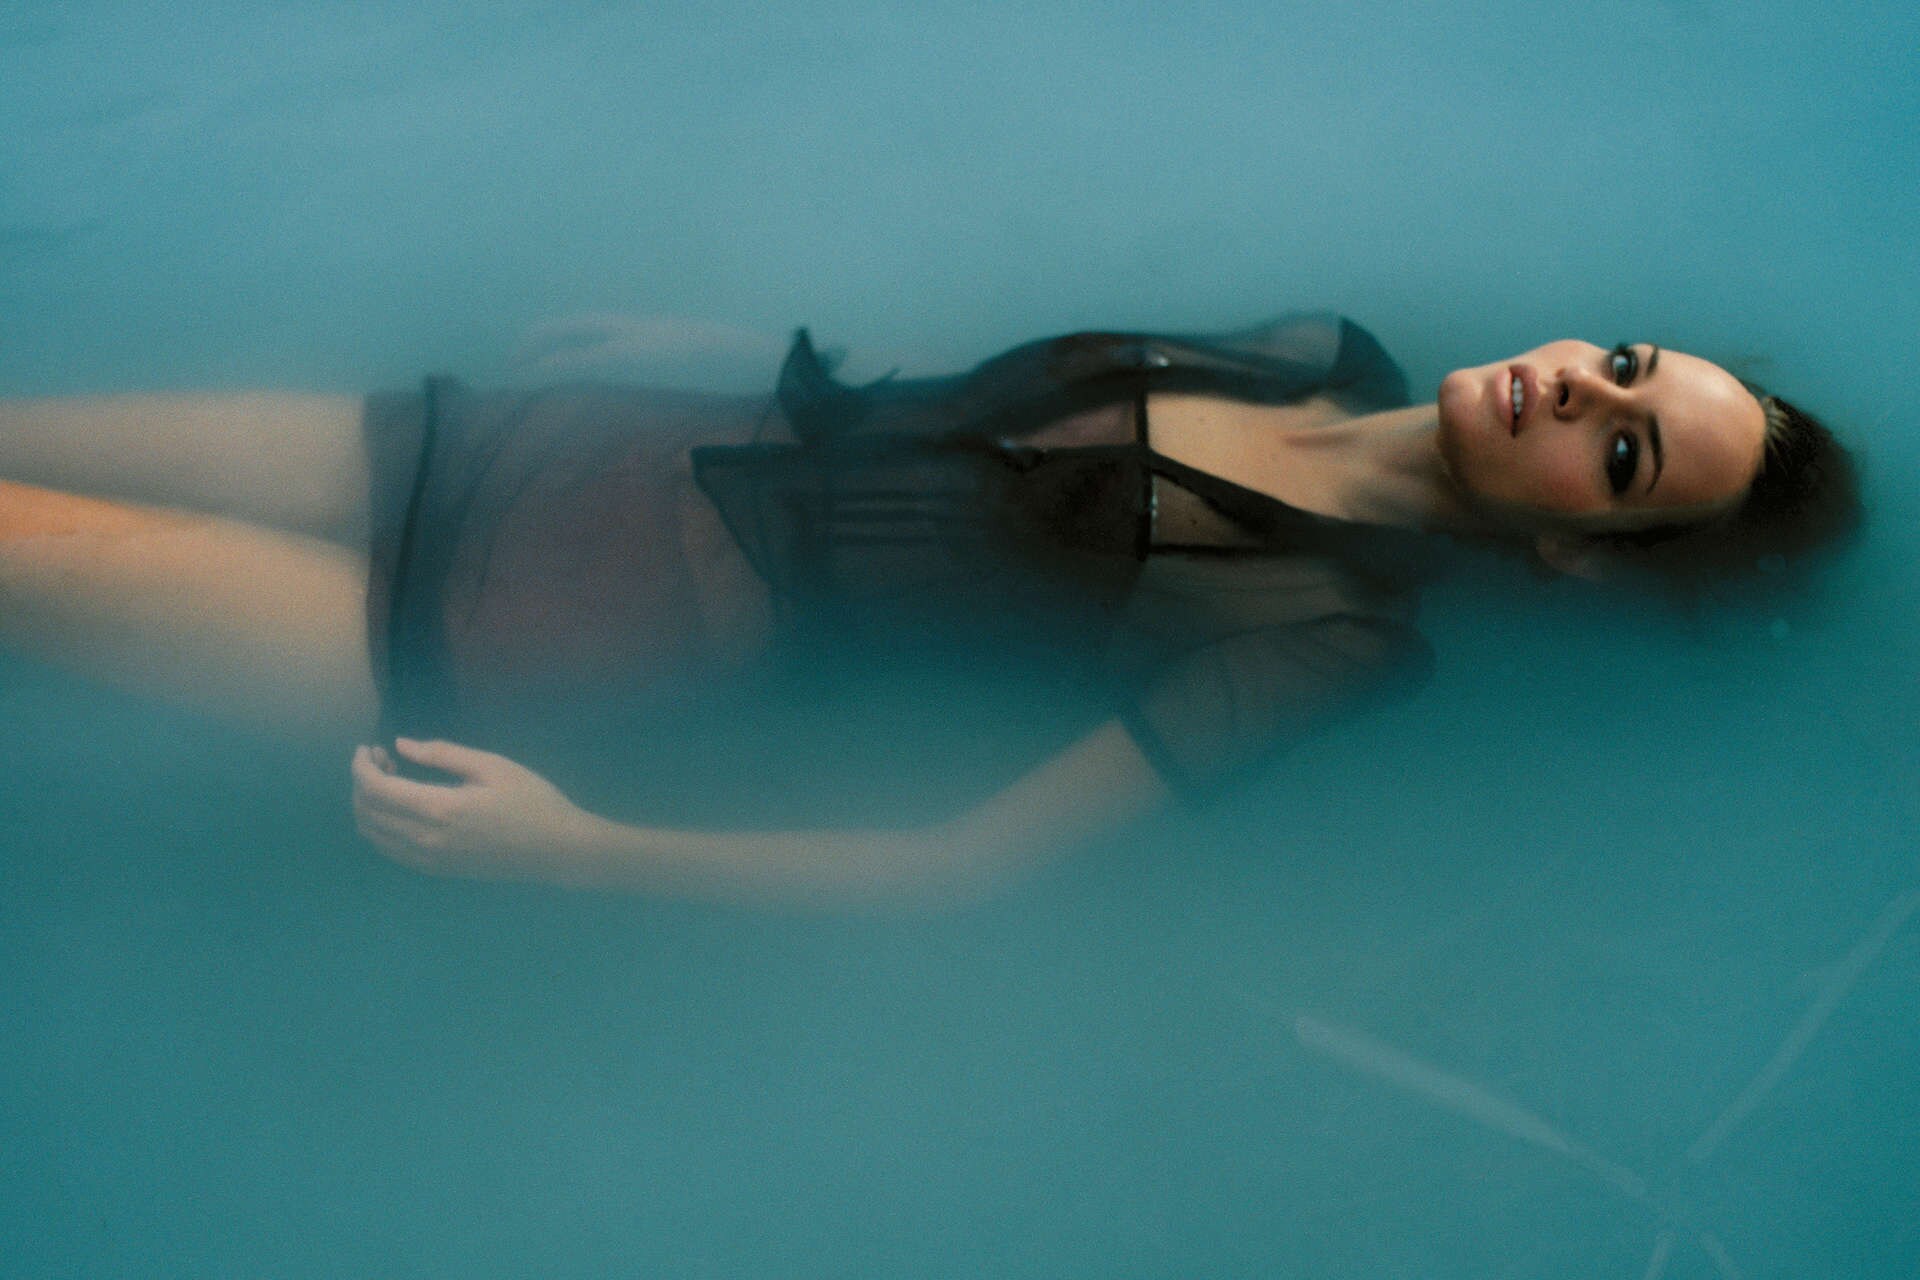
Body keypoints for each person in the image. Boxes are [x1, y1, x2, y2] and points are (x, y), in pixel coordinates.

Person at [0, 313, 1857, 905]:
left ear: (1577, 556)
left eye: (1624, 459)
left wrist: (581, 848)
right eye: (1628, 367)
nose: (1582, 394)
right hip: (563, 438)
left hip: (546, 638)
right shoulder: (1320, 345)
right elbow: (970, 410)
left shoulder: (1334, 627)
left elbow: (964, 866)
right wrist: (723, 342)